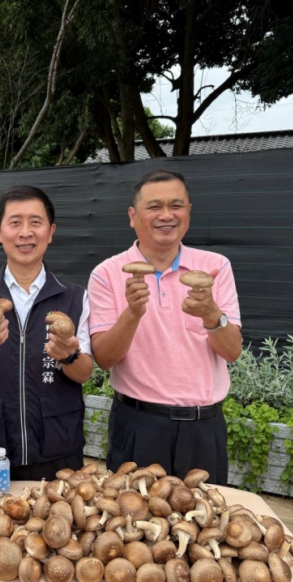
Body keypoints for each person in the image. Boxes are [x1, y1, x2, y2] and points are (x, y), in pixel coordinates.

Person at [88, 169, 242, 484]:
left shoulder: (215, 268)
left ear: (189, 212)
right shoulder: (107, 273)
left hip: (204, 426)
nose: (167, 215)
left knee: (205, 513)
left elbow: (232, 351)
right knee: (132, 511)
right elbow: (104, 358)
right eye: (154, 206)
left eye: (176, 205)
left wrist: (211, 313)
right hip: (138, 425)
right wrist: (132, 313)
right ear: (132, 216)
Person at [0, 185, 94, 482]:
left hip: (59, 447)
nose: (25, 233)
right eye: (15, 223)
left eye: (36, 222)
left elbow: (84, 373)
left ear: (51, 231)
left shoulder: (74, 297)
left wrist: (69, 355)